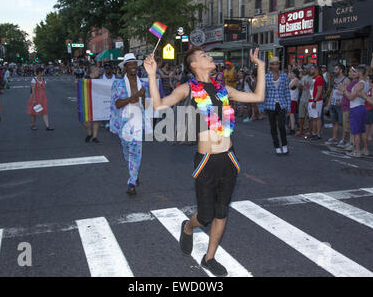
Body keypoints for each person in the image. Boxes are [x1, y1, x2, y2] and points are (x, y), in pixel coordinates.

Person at [143, 47, 265, 277]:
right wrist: (152, 74)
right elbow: (159, 105)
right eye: (204, 56)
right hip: (206, 160)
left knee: (221, 212)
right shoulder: (187, 88)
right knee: (206, 215)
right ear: (194, 65)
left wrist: (261, 66)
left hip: (228, 157)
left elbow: (258, 97)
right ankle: (188, 227)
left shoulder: (223, 89)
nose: (210, 57)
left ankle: (209, 258)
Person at [110, 53, 150, 196]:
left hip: (137, 121)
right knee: (127, 152)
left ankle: (132, 182)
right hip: (123, 122)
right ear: (125, 67)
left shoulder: (143, 84)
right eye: (130, 64)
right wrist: (133, 97)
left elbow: (145, 106)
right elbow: (117, 103)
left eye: (135, 64)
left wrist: (143, 96)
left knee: (135, 152)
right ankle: (134, 173)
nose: (133, 66)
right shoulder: (117, 84)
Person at [338, 65, 369, 157]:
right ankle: (365, 149)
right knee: (362, 130)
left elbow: (351, 97)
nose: (353, 74)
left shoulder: (360, 84)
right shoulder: (365, 82)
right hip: (361, 107)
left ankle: (357, 151)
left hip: (356, 108)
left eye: (355, 72)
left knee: (355, 132)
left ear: (359, 73)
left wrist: (344, 90)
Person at [264, 57, 291, 155]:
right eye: (274, 64)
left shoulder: (284, 76)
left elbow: (287, 91)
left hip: (281, 103)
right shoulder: (266, 77)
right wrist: (261, 106)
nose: (276, 66)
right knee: (273, 127)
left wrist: (289, 106)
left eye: (277, 64)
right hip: (270, 104)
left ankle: (284, 144)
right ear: (270, 66)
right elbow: (264, 92)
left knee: (281, 125)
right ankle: (276, 146)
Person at [325, 64, 350, 146]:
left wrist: (342, 100)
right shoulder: (335, 79)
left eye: (336, 69)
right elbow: (333, 91)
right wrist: (329, 101)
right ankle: (334, 137)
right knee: (334, 121)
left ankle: (343, 139)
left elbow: (346, 91)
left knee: (342, 122)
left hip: (341, 103)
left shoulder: (346, 80)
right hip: (333, 102)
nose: (334, 71)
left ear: (341, 70)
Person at [307, 65, 325, 141]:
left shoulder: (319, 78)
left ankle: (318, 134)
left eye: (312, 69)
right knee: (313, 118)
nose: (311, 70)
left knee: (317, 118)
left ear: (316, 70)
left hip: (316, 101)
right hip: (311, 100)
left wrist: (315, 100)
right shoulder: (314, 78)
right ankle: (314, 133)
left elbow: (319, 91)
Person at [295, 65, 313, 137]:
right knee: (301, 115)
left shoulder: (314, 78)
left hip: (310, 99)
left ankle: (309, 131)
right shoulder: (304, 77)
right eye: (305, 69)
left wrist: (306, 87)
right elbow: (300, 87)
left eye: (306, 69)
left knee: (310, 116)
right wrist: (299, 86)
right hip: (303, 98)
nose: (305, 70)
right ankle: (301, 130)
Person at [365, 73, 373, 143]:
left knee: (371, 122)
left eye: (367, 78)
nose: (366, 80)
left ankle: (369, 135)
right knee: (367, 122)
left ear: (371, 80)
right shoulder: (366, 86)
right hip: (366, 106)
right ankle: (367, 135)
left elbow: (372, 97)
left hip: (371, 107)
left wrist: (365, 97)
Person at [288, 69, 300, 134]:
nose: (290, 74)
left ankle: (293, 128)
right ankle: (291, 127)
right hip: (291, 98)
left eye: (291, 73)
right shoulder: (293, 80)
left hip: (293, 98)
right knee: (290, 113)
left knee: (291, 113)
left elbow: (290, 87)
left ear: (294, 74)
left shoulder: (295, 80)